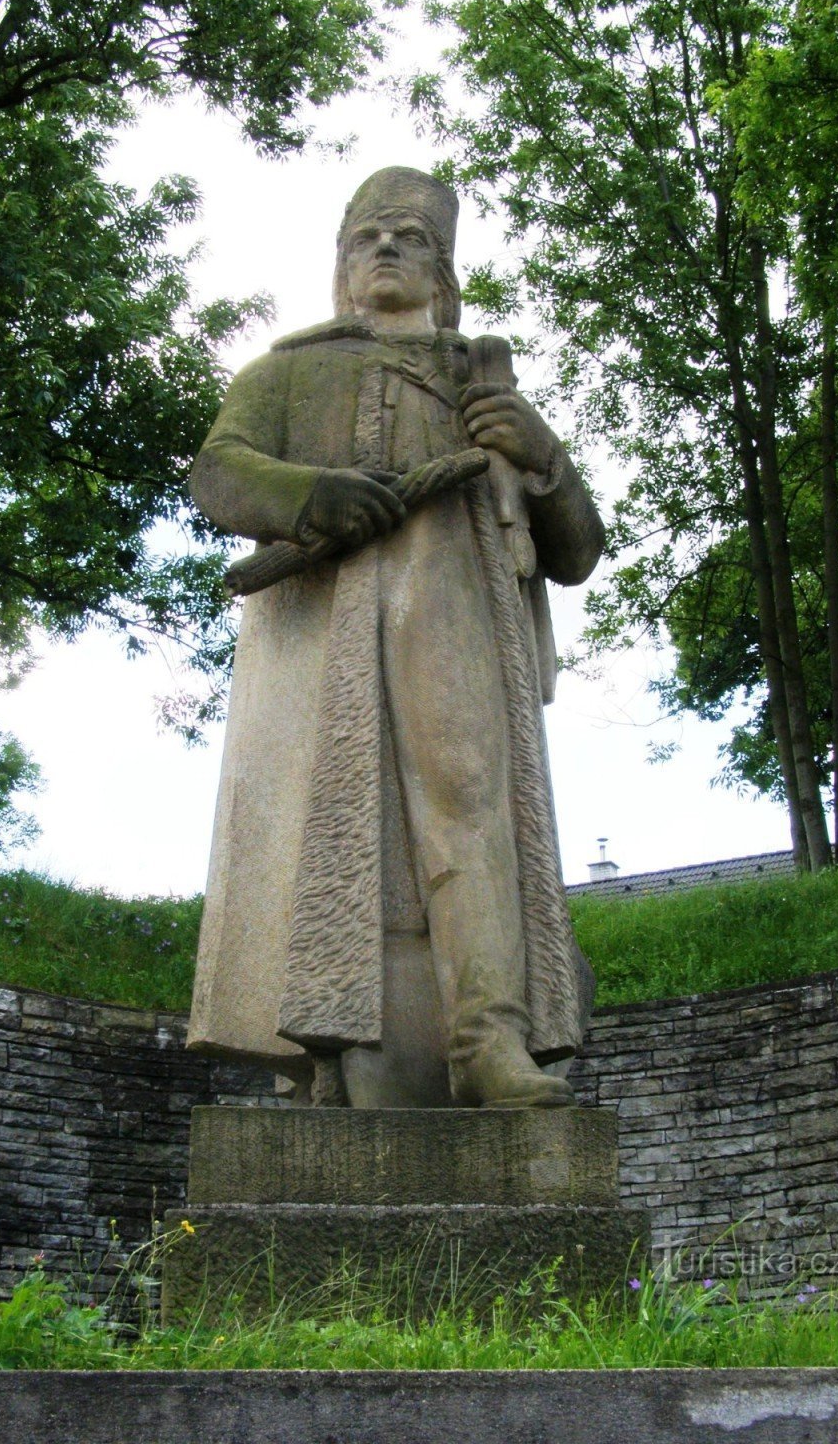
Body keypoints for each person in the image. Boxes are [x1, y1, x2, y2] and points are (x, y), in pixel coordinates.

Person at [187, 167, 605, 1108]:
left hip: (457, 606)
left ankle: (488, 1042)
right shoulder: (289, 370)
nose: (385, 248)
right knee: (323, 832)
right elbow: (217, 471)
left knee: (470, 810)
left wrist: (546, 459)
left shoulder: (483, 380)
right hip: (326, 634)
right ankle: (332, 1061)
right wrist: (310, 495)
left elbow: (575, 553)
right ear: (341, 264)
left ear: (443, 270)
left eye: (409, 236)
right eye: (368, 235)